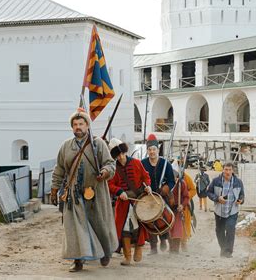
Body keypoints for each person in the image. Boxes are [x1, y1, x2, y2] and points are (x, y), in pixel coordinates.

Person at [51, 108, 118, 272]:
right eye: (75, 124)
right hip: (74, 193)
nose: (78, 127)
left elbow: (110, 164)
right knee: (74, 227)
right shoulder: (66, 146)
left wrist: (105, 172)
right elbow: (59, 169)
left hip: (96, 191)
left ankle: (105, 251)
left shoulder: (98, 144)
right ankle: (78, 260)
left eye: (81, 124)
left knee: (99, 225)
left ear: (87, 125)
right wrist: (54, 188)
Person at [107, 138, 152, 266]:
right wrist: (119, 192)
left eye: (122, 153)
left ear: (125, 152)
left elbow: (145, 176)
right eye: (117, 155)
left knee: (139, 226)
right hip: (123, 203)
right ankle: (127, 256)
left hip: (139, 200)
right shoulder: (113, 169)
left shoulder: (137, 163)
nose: (121, 157)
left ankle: (138, 249)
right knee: (124, 229)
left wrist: (148, 186)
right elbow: (110, 184)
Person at [141, 133, 176, 255]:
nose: (152, 152)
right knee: (150, 220)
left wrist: (167, 187)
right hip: (149, 196)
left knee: (163, 219)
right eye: (149, 150)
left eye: (154, 149)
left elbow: (172, 181)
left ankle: (164, 239)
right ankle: (153, 248)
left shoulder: (165, 164)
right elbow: (140, 179)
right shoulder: (143, 163)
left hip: (162, 196)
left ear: (157, 150)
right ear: (147, 150)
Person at [207, 162, 245, 258]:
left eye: (229, 170)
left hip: (232, 211)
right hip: (219, 211)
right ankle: (223, 249)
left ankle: (228, 252)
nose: (227, 172)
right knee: (219, 231)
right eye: (226, 169)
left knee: (230, 228)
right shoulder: (216, 181)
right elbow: (209, 192)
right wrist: (217, 198)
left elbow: (242, 195)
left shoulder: (238, 182)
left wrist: (240, 200)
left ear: (233, 171)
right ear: (222, 170)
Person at [171, 160, 196, 252]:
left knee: (184, 224)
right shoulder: (169, 178)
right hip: (173, 205)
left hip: (184, 203)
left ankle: (184, 243)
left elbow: (193, 190)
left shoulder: (186, 178)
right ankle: (173, 246)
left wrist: (184, 196)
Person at [168, 166, 189, 254]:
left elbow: (186, 197)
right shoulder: (166, 183)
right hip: (167, 208)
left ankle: (175, 250)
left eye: (175, 178)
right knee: (168, 229)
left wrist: (182, 205)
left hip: (177, 209)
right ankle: (171, 248)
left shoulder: (182, 183)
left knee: (177, 229)